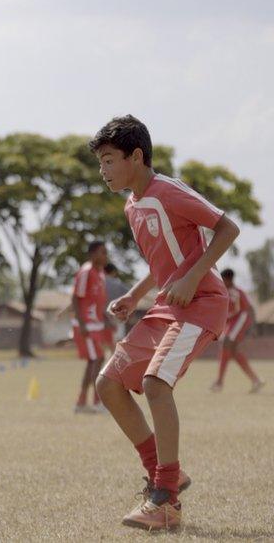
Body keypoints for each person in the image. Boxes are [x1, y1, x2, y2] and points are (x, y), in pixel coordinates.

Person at [90, 115, 239, 531]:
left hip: (202, 303)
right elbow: (163, 263)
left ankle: (166, 499)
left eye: (108, 161)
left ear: (136, 156)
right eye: (100, 164)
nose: (103, 171)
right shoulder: (132, 204)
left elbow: (227, 228)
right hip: (165, 306)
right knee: (109, 384)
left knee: (156, 384)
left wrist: (194, 278)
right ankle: (165, 472)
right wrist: (135, 296)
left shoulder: (167, 191)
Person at [71, 241, 111, 413]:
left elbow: (99, 301)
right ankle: (96, 402)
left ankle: (81, 402)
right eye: (102, 252)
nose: (105, 256)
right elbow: (75, 298)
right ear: (93, 254)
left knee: (96, 360)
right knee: (97, 359)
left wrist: (106, 318)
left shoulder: (101, 273)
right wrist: (82, 325)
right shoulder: (85, 272)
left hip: (97, 324)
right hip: (86, 325)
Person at [211, 268, 265, 393]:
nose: (222, 281)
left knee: (226, 344)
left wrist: (253, 327)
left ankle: (219, 382)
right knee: (231, 351)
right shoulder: (228, 291)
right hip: (232, 323)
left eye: (223, 279)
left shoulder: (236, 292)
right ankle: (256, 380)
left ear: (228, 279)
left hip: (240, 320)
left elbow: (248, 309)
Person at [104, 263, 130, 340]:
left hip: (102, 317)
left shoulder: (99, 283)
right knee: (118, 340)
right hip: (116, 315)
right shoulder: (118, 283)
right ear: (113, 272)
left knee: (107, 344)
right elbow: (129, 293)